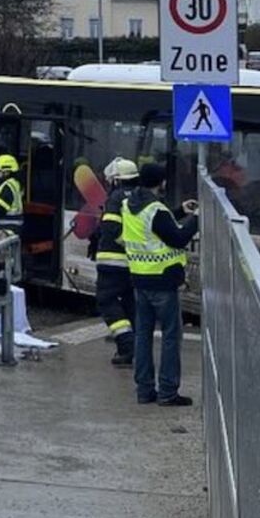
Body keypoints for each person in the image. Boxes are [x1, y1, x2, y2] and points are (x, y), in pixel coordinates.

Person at [123, 162, 198, 406]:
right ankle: (167, 392)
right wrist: (195, 219)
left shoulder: (129, 205)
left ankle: (144, 391)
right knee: (170, 337)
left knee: (142, 336)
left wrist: (179, 211)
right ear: (162, 182)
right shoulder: (156, 209)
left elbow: (154, 228)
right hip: (163, 281)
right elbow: (176, 238)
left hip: (139, 279)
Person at [95, 157, 139, 366]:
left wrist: (126, 243)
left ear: (116, 180)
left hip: (112, 262)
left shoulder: (115, 197)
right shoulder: (143, 196)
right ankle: (137, 344)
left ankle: (126, 343)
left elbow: (111, 228)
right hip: (135, 264)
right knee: (130, 303)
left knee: (107, 301)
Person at [0, 154, 23, 233]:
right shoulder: (15, 184)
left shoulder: (7, 187)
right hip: (13, 230)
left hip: (5, 231)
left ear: (7, 172)